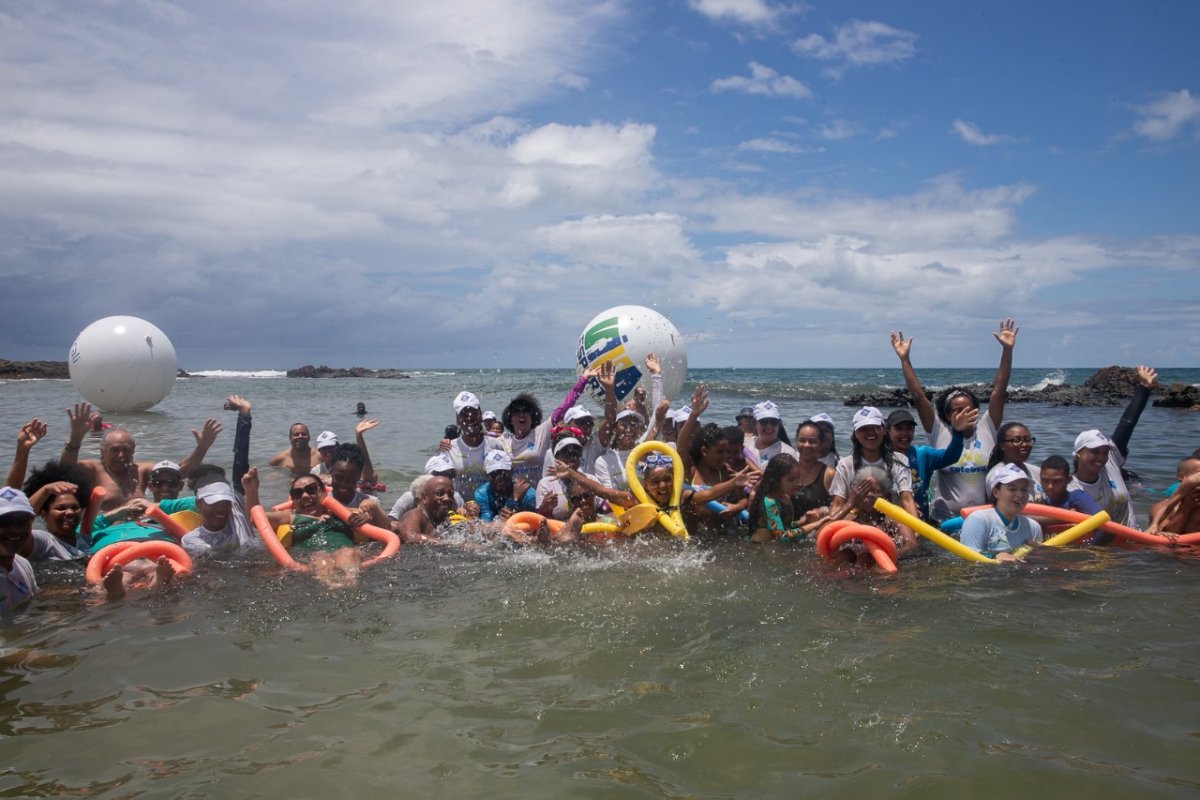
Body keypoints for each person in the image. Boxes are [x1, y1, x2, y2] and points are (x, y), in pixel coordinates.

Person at [890, 320, 1018, 522]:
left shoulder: (987, 428)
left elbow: (998, 392)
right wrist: (904, 359)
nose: (963, 413)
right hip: (944, 520)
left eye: (968, 408)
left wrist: (1007, 351)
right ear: (947, 415)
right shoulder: (939, 432)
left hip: (983, 517)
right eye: (957, 410)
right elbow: (918, 397)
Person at [59, 401, 222, 512]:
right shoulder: (93, 469)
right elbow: (64, 471)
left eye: (127, 450)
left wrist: (202, 447)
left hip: (140, 528)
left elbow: (178, 472)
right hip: (105, 531)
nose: (121, 455)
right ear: (102, 452)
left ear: (133, 452)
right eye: (115, 450)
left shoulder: (141, 470)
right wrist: (75, 438)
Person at [552, 453, 754, 537]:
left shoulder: (681, 498)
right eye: (656, 482)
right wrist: (572, 473)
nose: (663, 485)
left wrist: (733, 483)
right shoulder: (636, 500)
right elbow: (602, 491)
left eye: (667, 479)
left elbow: (709, 494)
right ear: (646, 485)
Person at [1068, 366, 1157, 528]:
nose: (1101, 458)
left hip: (1133, 543)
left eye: (1104, 452)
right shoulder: (1069, 489)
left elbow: (1127, 424)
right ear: (1078, 454)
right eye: (1094, 451)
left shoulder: (1110, 462)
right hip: (1101, 551)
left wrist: (1144, 388)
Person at [247, 471, 364, 588]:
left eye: (311, 489)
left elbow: (371, 520)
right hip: (314, 558)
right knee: (320, 558)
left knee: (347, 552)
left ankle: (351, 584)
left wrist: (369, 507)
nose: (305, 496)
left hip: (347, 552)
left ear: (323, 492)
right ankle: (333, 587)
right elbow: (257, 519)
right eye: (297, 493)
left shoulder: (341, 512)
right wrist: (251, 490)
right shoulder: (290, 517)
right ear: (293, 501)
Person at [828, 407, 919, 550]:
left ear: (884, 430)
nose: (870, 433)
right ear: (856, 434)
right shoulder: (846, 464)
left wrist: (917, 529)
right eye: (864, 429)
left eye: (875, 427)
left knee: (911, 545)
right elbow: (837, 505)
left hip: (890, 519)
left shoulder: (899, 460)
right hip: (857, 517)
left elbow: (907, 499)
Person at [886, 406, 976, 520]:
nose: (905, 433)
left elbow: (951, 457)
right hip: (891, 521)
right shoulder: (881, 457)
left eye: (909, 429)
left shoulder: (922, 454)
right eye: (899, 429)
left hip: (922, 524)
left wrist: (957, 433)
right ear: (887, 430)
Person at [960, 463, 1043, 562]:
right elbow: (967, 562)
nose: (1020, 495)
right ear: (996, 492)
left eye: (1024, 489)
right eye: (1012, 489)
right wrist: (996, 555)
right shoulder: (978, 521)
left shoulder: (1033, 528)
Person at [21, 460, 91, 560]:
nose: (70, 512)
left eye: (75, 507)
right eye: (61, 508)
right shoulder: (43, 542)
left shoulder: (85, 540)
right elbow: (19, 524)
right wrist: (45, 491)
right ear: (44, 513)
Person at [442, 391, 507, 498]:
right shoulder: (449, 448)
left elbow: (505, 479)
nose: (469, 418)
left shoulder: (496, 445)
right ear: (457, 420)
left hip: (490, 506)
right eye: (464, 415)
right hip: (461, 509)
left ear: (481, 415)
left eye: (473, 413)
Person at [388, 454, 465, 523]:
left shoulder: (455, 498)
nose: (446, 478)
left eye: (451, 475)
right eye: (441, 475)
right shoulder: (409, 498)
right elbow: (391, 521)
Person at [747, 454, 805, 543]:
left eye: (798, 478)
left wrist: (803, 521)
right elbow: (781, 537)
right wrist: (813, 525)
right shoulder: (770, 502)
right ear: (776, 480)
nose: (797, 483)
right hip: (758, 549)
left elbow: (783, 526)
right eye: (791, 479)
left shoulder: (785, 497)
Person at [0, 487, 39, 614]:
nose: (16, 530)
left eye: (22, 521)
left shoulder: (22, 563)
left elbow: (37, 598)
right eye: (5, 521)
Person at [474, 450, 539, 522]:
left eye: (503, 473)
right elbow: (485, 526)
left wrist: (518, 519)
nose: (499, 478)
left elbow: (536, 524)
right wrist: (514, 499)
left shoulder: (528, 494)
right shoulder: (482, 494)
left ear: (512, 471)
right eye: (494, 474)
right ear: (486, 475)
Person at [986, 422, 1044, 500]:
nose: (1024, 444)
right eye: (1017, 440)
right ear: (1002, 445)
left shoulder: (1037, 471)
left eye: (1027, 440)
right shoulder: (997, 475)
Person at [791, 420, 835, 519]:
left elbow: (837, 506)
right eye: (802, 440)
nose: (806, 445)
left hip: (817, 530)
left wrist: (823, 512)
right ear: (796, 441)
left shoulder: (829, 474)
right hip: (789, 531)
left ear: (820, 444)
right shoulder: (786, 471)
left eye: (812, 441)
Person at [1147, 459, 1200, 539]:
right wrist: (1187, 506)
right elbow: (1163, 537)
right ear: (1182, 477)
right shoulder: (1161, 507)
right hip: (1172, 547)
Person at [397, 475, 455, 543]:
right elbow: (409, 536)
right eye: (439, 494)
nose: (447, 498)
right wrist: (447, 543)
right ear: (424, 498)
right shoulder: (415, 515)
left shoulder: (445, 520)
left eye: (450, 494)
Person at [747, 401, 797, 468]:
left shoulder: (787, 453)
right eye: (764, 422)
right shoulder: (745, 443)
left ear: (779, 424)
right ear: (754, 424)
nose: (769, 426)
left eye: (774, 422)